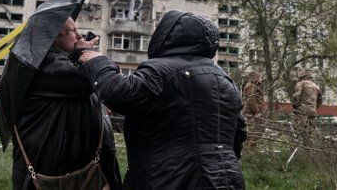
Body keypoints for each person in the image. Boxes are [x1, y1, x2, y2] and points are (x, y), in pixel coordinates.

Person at [76, 10, 247, 189]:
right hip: (226, 179)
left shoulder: (161, 71)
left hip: (169, 179)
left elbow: (117, 93)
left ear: (167, 36)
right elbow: (238, 134)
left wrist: (95, 61)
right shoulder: (225, 79)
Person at [8, 16, 122, 190]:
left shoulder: (62, 62)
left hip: (76, 170)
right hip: (56, 173)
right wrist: (85, 55)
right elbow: (92, 80)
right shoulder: (43, 65)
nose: (79, 36)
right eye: (71, 30)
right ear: (52, 37)